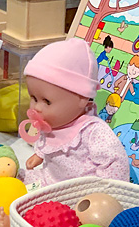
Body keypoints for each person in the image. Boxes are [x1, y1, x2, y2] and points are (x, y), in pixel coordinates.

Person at [18, 38, 129, 187]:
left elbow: (115, 162)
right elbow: (48, 141)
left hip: (79, 190)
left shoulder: (93, 131)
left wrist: (102, 192)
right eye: (33, 98)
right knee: (17, 177)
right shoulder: (54, 121)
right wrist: (39, 154)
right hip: (50, 179)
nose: (37, 107)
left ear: (82, 98)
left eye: (47, 101)